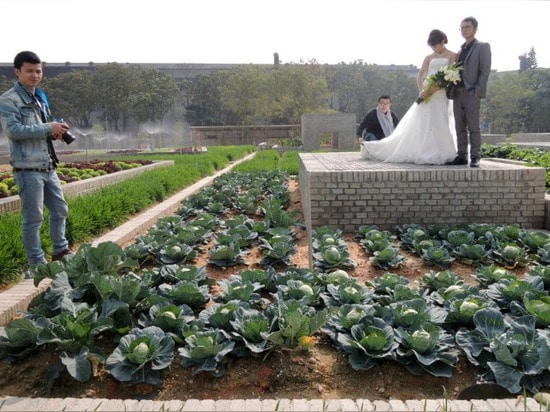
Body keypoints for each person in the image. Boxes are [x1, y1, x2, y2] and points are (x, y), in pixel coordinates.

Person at [0, 51, 73, 267]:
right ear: (17, 72)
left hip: (48, 165)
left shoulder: (39, 97)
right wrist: (46, 127)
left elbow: (40, 130)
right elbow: (14, 130)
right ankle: (36, 263)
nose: (35, 75)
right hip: (27, 168)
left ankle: (60, 250)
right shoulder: (8, 100)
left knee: (60, 209)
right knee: (33, 219)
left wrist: (55, 131)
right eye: (29, 70)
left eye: (38, 71)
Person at [360, 29, 458, 165]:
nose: (434, 48)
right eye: (432, 46)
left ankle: (443, 151)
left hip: (441, 95)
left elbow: (451, 76)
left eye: (435, 45)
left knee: (441, 121)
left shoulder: (453, 55)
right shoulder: (429, 57)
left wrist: (438, 87)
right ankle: (425, 150)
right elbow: (420, 75)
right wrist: (422, 91)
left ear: (442, 41)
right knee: (424, 124)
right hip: (427, 94)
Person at [447, 16, 492, 168]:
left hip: (472, 92)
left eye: (467, 27)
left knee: (474, 127)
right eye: (462, 28)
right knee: (459, 127)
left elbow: (485, 71)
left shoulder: (483, 46)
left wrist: (478, 91)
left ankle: (475, 157)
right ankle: (462, 156)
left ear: (475, 29)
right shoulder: (460, 50)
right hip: (457, 93)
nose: (464, 30)